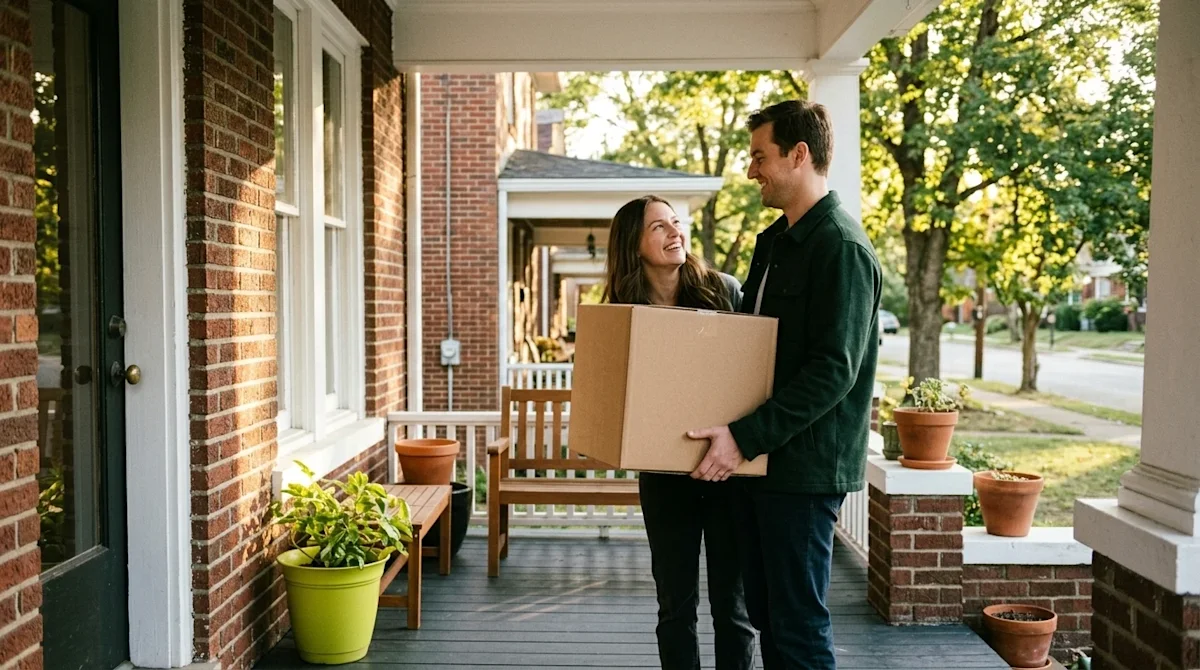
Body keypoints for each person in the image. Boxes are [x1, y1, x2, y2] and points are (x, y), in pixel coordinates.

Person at [687, 100, 882, 669]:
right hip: (760, 466)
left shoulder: (841, 248)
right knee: (768, 619)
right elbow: (754, 347)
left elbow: (833, 371)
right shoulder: (774, 243)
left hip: (802, 470)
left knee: (797, 628)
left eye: (759, 157)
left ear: (799, 155)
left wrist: (744, 436)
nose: (751, 171)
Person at [603, 195, 756, 670]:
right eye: (658, 227)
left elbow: (754, 369)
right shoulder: (623, 312)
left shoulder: (725, 292)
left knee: (734, 609)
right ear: (634, 243)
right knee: (675, 607)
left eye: (676, 222)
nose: (675, 232)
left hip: (729, 469)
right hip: (665, 476)